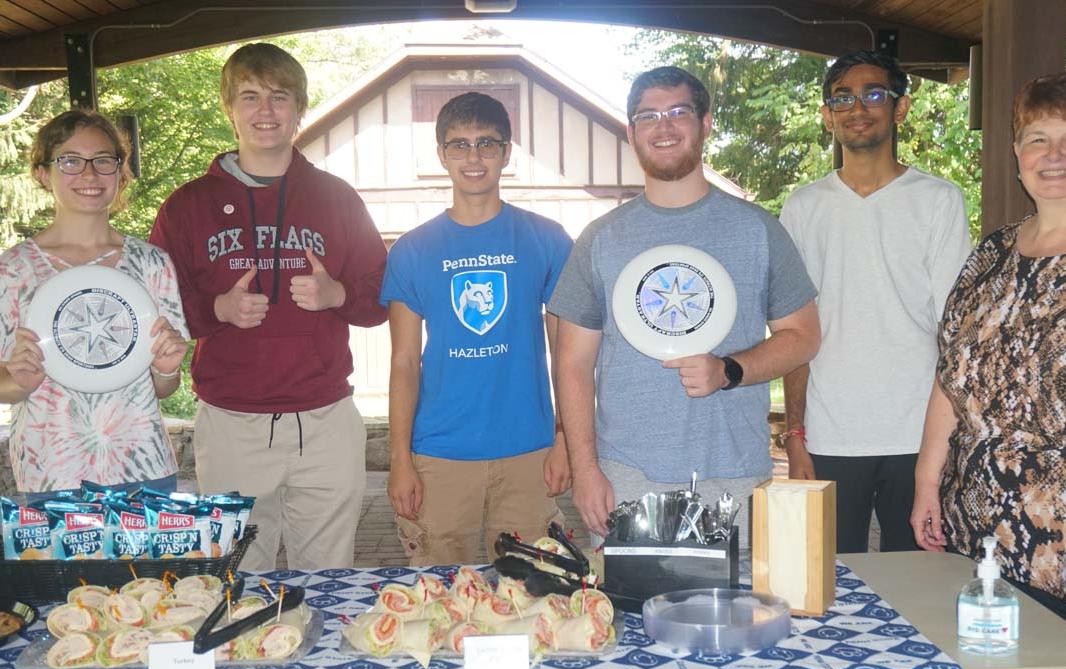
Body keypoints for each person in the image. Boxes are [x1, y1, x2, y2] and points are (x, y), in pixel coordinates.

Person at [549, 66, 820, 546]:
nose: (664, 126)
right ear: (631, 132)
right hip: (625, 476)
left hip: (733, 475)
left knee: (731, 617)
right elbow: (572, 362)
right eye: (648, 116)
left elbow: (803, 336)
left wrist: (729, 370)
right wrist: (585, 467)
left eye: (678, 112)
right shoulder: (601, 239)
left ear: (706, 122)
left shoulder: (758, 230)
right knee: (624, 617)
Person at [150, 43, 387, 571]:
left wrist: (338, 295)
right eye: (249, 96)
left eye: (279, 97)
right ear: (228, 108)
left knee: (328, 579)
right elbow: (158, 309)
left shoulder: (337, 198)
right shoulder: (188, 205)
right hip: (232, 422)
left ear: (299, 110)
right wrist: (217, 307)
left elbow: (380, 300)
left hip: (325, 420)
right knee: (236, 581)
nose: (265, 110)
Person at [911, 72, 1066, 669]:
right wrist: (926, 482)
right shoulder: (990, 255)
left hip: (1063, 538)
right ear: (1015, 152)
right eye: (1039, 138)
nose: (1053, 154)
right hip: (990, 537)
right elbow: (953, 374)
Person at [779, 50, 971, 554]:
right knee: (826, 585)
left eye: (873, 94)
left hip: (918, 435)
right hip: (829, 435)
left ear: (900, 108)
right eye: (842, 97)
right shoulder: (803, 208)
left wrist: (947, 439)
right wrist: (796, 432)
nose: (857, 107)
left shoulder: (938, 200)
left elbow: (956, 334)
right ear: (827, 115)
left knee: (920, 584)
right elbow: (792, 332)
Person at [381, 92, 572, 565]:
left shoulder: (547, 239)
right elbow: (404, 363)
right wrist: (400, 459)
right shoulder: (411, 250)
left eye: (487, 144)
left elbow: (567, 355)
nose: (473, 157)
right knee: (441, 602)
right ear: (441, 153)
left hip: (529, 451)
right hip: (439, 455)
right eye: (459, 144)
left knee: (530, 595)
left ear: (507, 153)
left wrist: (566, 441)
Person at [0, 109, 188, 499]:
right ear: (42, 173)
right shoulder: (12, 270)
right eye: (70, 160)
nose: (88, 175)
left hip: (144, 467)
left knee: (152, 566)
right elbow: (6, 387)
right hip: (52, 472)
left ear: (121, 173)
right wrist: (17, 382)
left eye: (103, 160)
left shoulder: (153, 264)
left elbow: (163, 386)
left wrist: (168, 371)